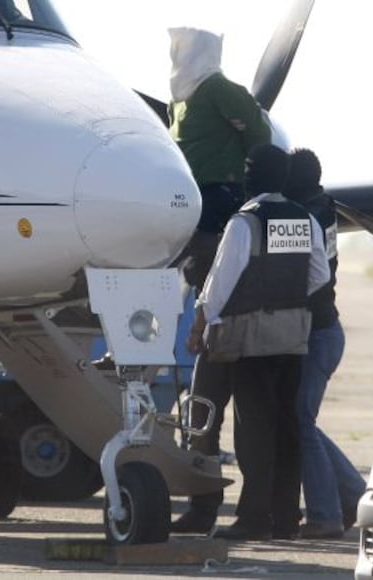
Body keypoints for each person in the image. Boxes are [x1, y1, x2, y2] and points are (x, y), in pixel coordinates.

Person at [185, 144, 330, 541]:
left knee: (253, 431)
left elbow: (219, 284)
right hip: (293, 337)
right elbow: (318, 277)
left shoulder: (244, 223)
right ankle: (285, 519)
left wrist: (201, 323)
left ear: (255, 176)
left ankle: (252, 518)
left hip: (250, 339)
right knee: (285, 428)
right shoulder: (304, 220)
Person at [168, 26, 271, 534]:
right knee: (211, 411)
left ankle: (255, 512)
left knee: (238, 412)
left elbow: (258, 129)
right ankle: (211, 506)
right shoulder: (181, 100)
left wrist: (251, 176)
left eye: (183, 46)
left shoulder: (217, 87)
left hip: (218, 201)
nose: (176, 53)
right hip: (190, 207)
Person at [284, 148, 366, 539]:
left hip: (316, 334)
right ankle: (352, 494)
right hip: (325, 330)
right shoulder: (323, 207)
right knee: (303, 421)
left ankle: (325, 515)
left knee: (301, 420)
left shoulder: (304, 217)